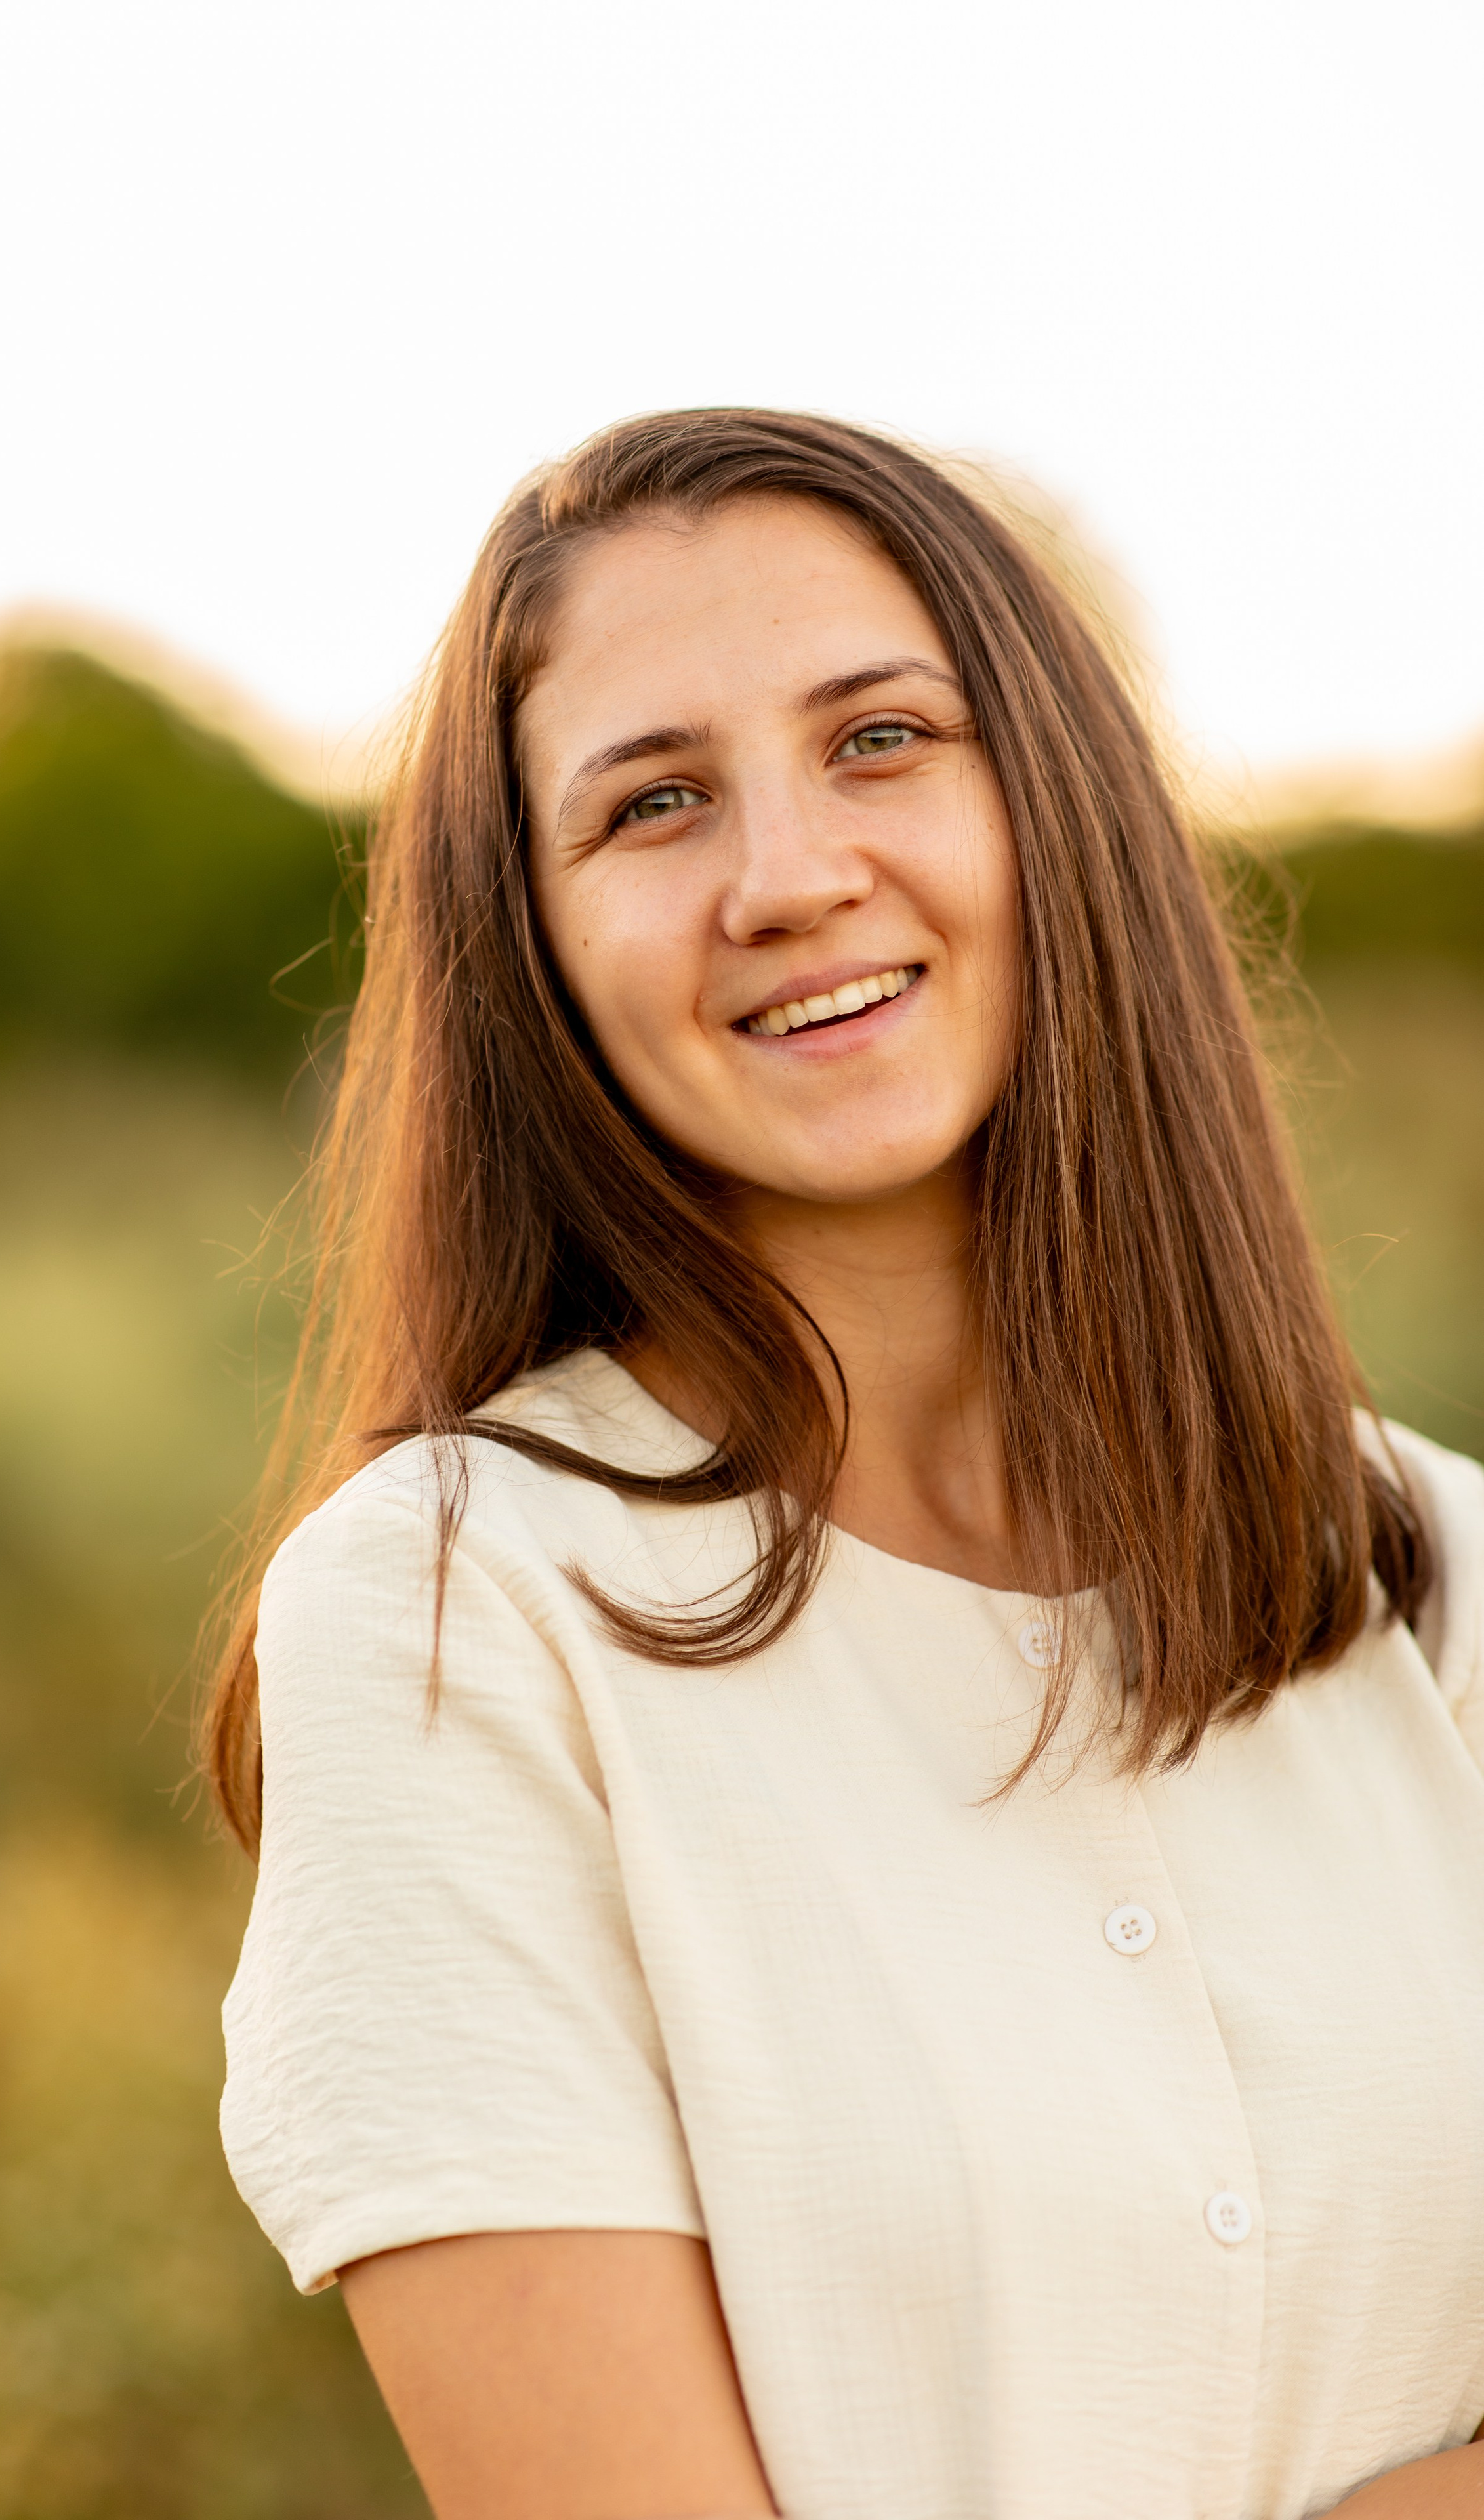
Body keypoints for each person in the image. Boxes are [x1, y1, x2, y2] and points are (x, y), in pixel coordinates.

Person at [207, 410, 1484, 2520]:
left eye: (883, 738)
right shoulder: (452, 1610)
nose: (789, 877)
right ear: (531, 946)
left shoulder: (1427, 1562)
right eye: (655, 803)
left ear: (1056, 807)